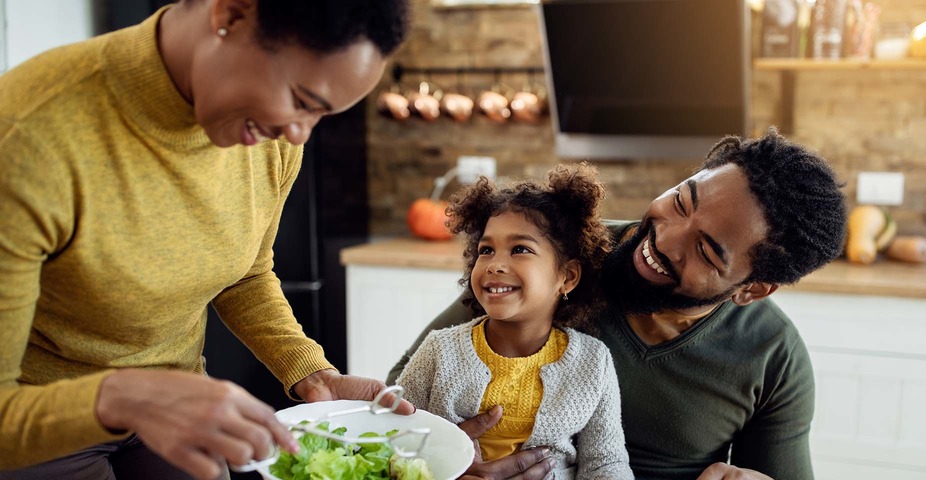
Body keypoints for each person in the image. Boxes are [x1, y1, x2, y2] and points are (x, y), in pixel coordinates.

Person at [0, 1, 414, 479]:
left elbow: (245, 273)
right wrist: (125, 395)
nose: (299, 133)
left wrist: (310, 372)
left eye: (321, 115)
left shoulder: (273, 141)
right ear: (231, 16)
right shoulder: (26, 138)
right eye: (301, 99)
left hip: (177, 406)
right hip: (40, 422)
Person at [389, 128, 849, 480]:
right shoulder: (559, 255)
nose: (664, 239)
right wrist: (442, 459)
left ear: (752, 288)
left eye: (706, 251)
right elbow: (405, 391)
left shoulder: (772, 356)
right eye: (683, 201)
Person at [396, 164, 634, 480]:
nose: (495, 264)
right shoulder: (438, 351)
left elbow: (605, 463)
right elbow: (396, 437)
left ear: (567, 276)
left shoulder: (594, 363)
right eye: (486, 250)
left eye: (519, 249)